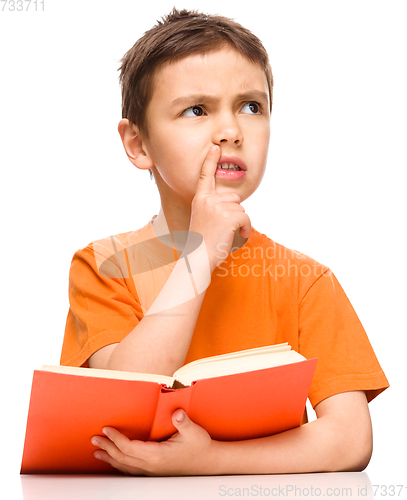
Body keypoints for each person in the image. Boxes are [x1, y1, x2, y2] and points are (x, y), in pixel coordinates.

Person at [60, 8, 389, 475]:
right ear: (138, 144)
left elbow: (351, 440)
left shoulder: (306, 281)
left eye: (251, 106)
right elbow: (123, 396)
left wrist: (211, 459)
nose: (232, 131)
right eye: (196, 109)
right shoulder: (104, 265)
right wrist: (199, 256)